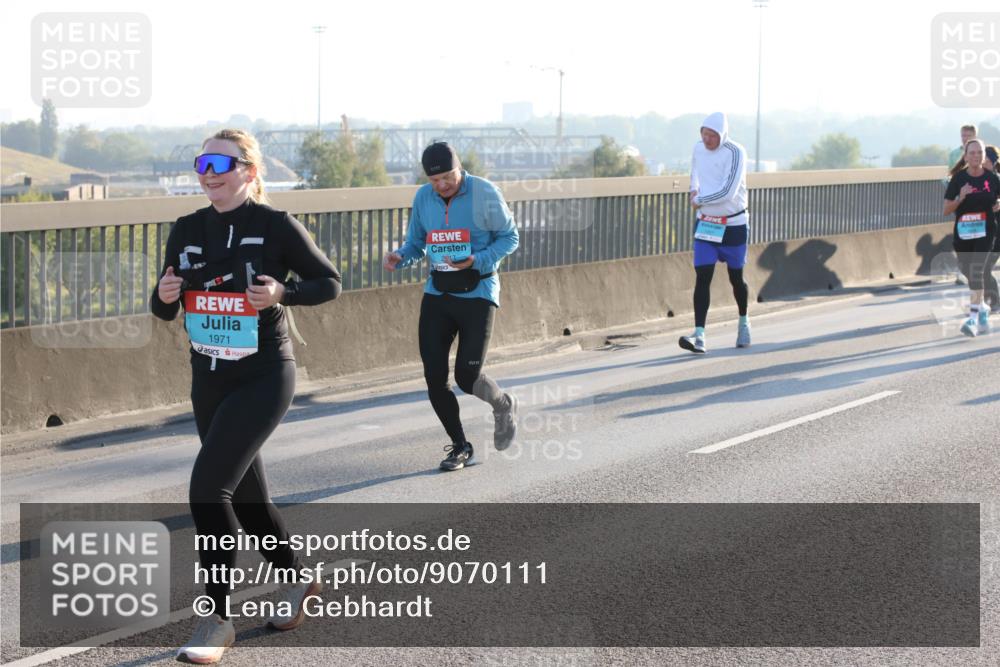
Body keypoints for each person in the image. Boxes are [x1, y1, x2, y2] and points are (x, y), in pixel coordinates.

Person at [151, 129, 342, 663]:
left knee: (208, 492)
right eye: (201, 163)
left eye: (221, 163)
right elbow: (165, 305)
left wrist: (284, 293)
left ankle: (215, 621)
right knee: (249, 497)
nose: (209, 172)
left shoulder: (275, 226)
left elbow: (329, 283)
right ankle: (297, 580)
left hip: (264, 375)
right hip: (208, 377)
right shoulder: (187, 228)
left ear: (250, 171)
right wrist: (163, 296)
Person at [383, 142, 519, 471]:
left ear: (460, 168)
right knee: (434, 377)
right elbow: (417, 243)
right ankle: (460, 445)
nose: (442, 185)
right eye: (435, 181)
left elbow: (509, 237)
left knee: (466, 375)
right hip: (438, 293)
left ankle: (502, 404)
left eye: (448, 177)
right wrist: (400, 257)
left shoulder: (484, 192)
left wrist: (477, 260)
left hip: (478, 291)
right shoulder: (423, 198)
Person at [679, 111, 751, 354]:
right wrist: (693, 191)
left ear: (723, 135)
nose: (707, 140)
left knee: (736, 279)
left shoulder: (735, 152)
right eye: (704, 134)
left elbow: (728, 191)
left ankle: (743, 321)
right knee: (702, 277)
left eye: (713, 135)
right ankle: (699, 335)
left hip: (733, 224)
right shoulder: (698, 149)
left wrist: (700, 199)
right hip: (707, 224)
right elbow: (695, 174)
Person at [943, 138, 999, 337]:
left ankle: (973, 319)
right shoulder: (958, 179)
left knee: (976, 269)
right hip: (964, 233)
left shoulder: (993, 179)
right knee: (967, 269)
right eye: (972, 153)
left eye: (979, 153)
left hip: (986, 232)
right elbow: (946, 209)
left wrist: (999, 203)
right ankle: (982, 305)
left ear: (983, 156)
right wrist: (961, 198)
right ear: (966, 156)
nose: (975, 156)